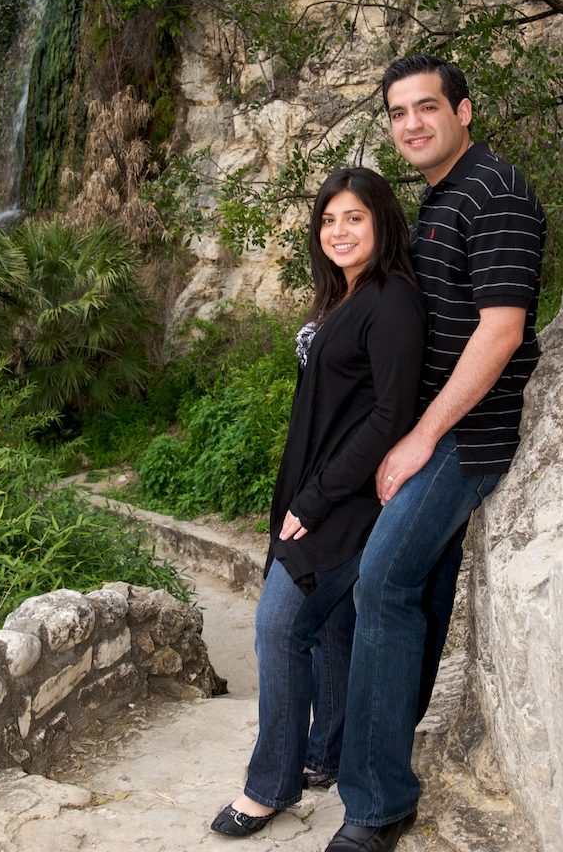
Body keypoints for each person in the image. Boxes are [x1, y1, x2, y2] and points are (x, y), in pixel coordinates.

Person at [324, 54, 546, 852]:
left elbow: (500, 330)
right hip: (430, 432)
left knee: (381, 585)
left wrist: (419, 439)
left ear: (464, 110)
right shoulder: (438, 198)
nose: (411, 123)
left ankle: (378, 803)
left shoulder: (496, 195)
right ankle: (370, 753)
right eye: (397, 112)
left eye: (426, 107)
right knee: (410, 597)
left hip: (466, 437)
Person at [211, 167, 427, 837]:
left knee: (280, 628)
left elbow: (389, 413)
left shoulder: (391, 298)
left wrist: (317, 494)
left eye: (353, 218)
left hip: (347, 500)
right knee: (330, 628)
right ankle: (321, 756)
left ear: (381, 222)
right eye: (328, 220)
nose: (338, 231)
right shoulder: (342, 295)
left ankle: (269, 784)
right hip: (319, 489)